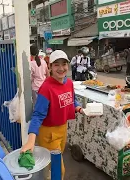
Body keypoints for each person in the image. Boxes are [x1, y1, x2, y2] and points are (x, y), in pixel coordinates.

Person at [21, 50, 84, 179]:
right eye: (56, 65)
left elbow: (72, 99)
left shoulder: (69, 83)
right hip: (49, 133)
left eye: (64, 64)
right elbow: (38, 115)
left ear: (68, 65)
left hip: (63, 128)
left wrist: (78, 108)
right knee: (59, 169)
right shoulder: (46, 88)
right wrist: (31, 141)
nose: (61, 68)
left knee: (54, 165)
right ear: (49, 67)